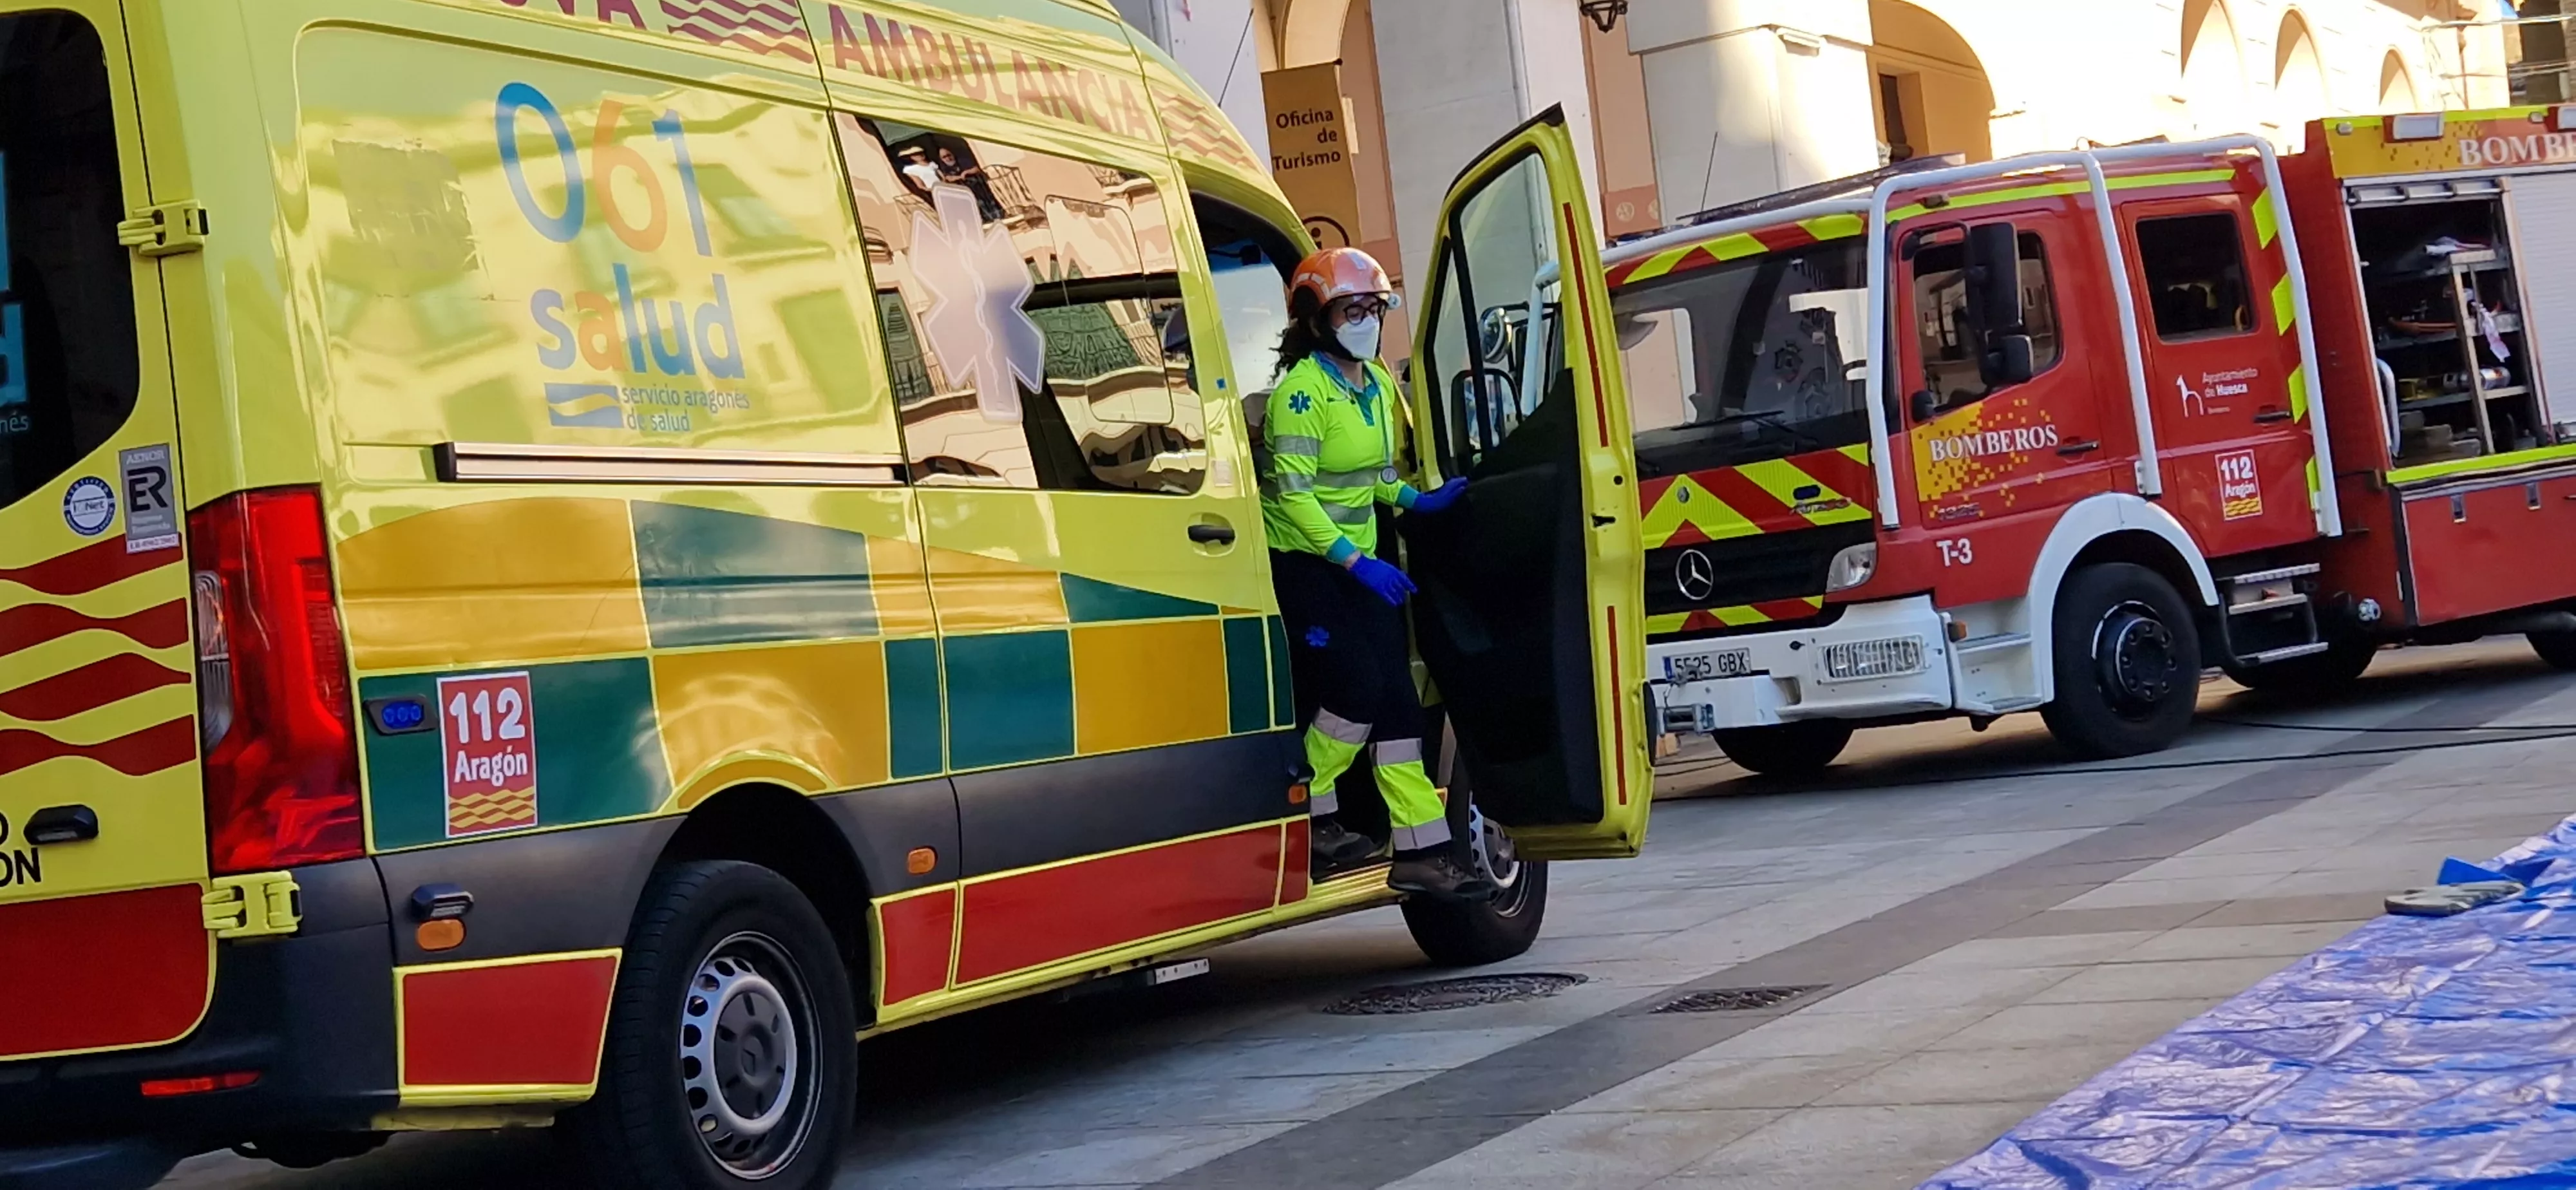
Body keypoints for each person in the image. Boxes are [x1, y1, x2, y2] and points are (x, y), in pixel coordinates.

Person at [1260, 247, 1484, 901]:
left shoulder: (1377, 384)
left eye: (1372, 308)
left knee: (1398, 713)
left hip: (1360, 563)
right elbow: (1296, 495)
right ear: (1314, 318)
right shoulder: (1300, 394)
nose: (1364, 320)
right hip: (1311, 564)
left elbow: (1373, 478)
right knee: (1353, 692)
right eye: (1349, 309)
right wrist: (1355, 563)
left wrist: (1417, 502)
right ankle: (1313, 806)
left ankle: (1423, 851)